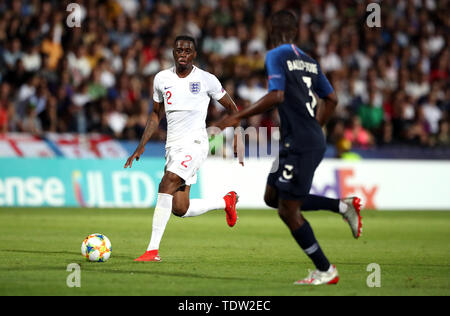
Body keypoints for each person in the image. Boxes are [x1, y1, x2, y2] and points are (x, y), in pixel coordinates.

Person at [216, 11, 362, 285]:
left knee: (287, 210)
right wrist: (315, 125)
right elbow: (331, 99)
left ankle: (325, 269)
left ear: (272, 31)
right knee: (272, 197)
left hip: (301, 143)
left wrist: (237, 116)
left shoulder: (275, 55)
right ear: (296, 32)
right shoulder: (309, 61)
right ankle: (342, 206)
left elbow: (277, 95)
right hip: (296, 140)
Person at [125, 35, 244, 262]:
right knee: (180, 208)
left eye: (187, 51)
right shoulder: (161, 78)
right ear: (173, 52)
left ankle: (152, 250)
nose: (182, 54)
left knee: (167, 181)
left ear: (194, 55)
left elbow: (232, 108)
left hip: (197, 143)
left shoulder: (207, 79)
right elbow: (155, 114)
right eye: (178, 50)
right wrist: (140, 147)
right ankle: (226, 202)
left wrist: (237, 135)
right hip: (173, 146)